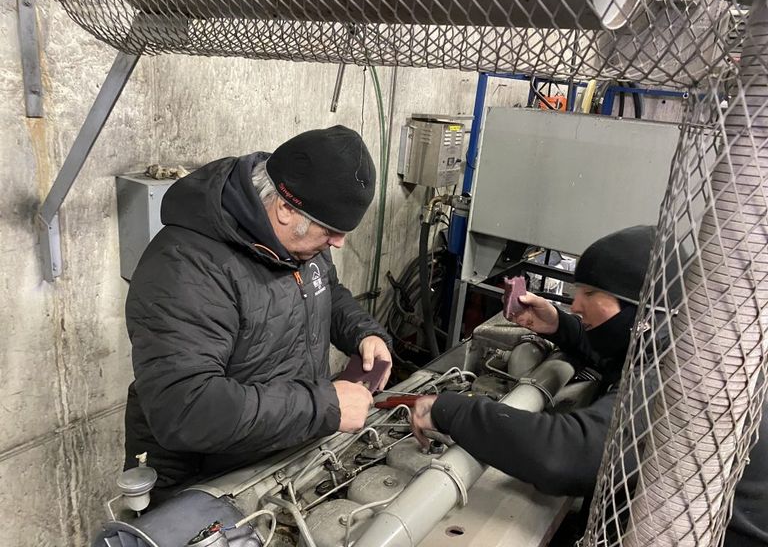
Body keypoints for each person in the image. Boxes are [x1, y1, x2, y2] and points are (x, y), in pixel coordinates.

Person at [411, 225, 768, 546]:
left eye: (590, 292)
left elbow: (568, 457)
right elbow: (624, 350)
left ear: (640, 305)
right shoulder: (688, 337)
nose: (575, 304)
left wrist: (447, 409)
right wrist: (559, 326)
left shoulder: (686, 374)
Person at [123, 125, 393, 503]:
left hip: (282, 454)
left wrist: (363, 333)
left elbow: (325, 289)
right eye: (331, 230)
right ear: (284, 208)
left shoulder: (302, 238)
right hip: (209, 485)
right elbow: (187, 408)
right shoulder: (185, 267)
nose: (339, 242)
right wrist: (324, 407)